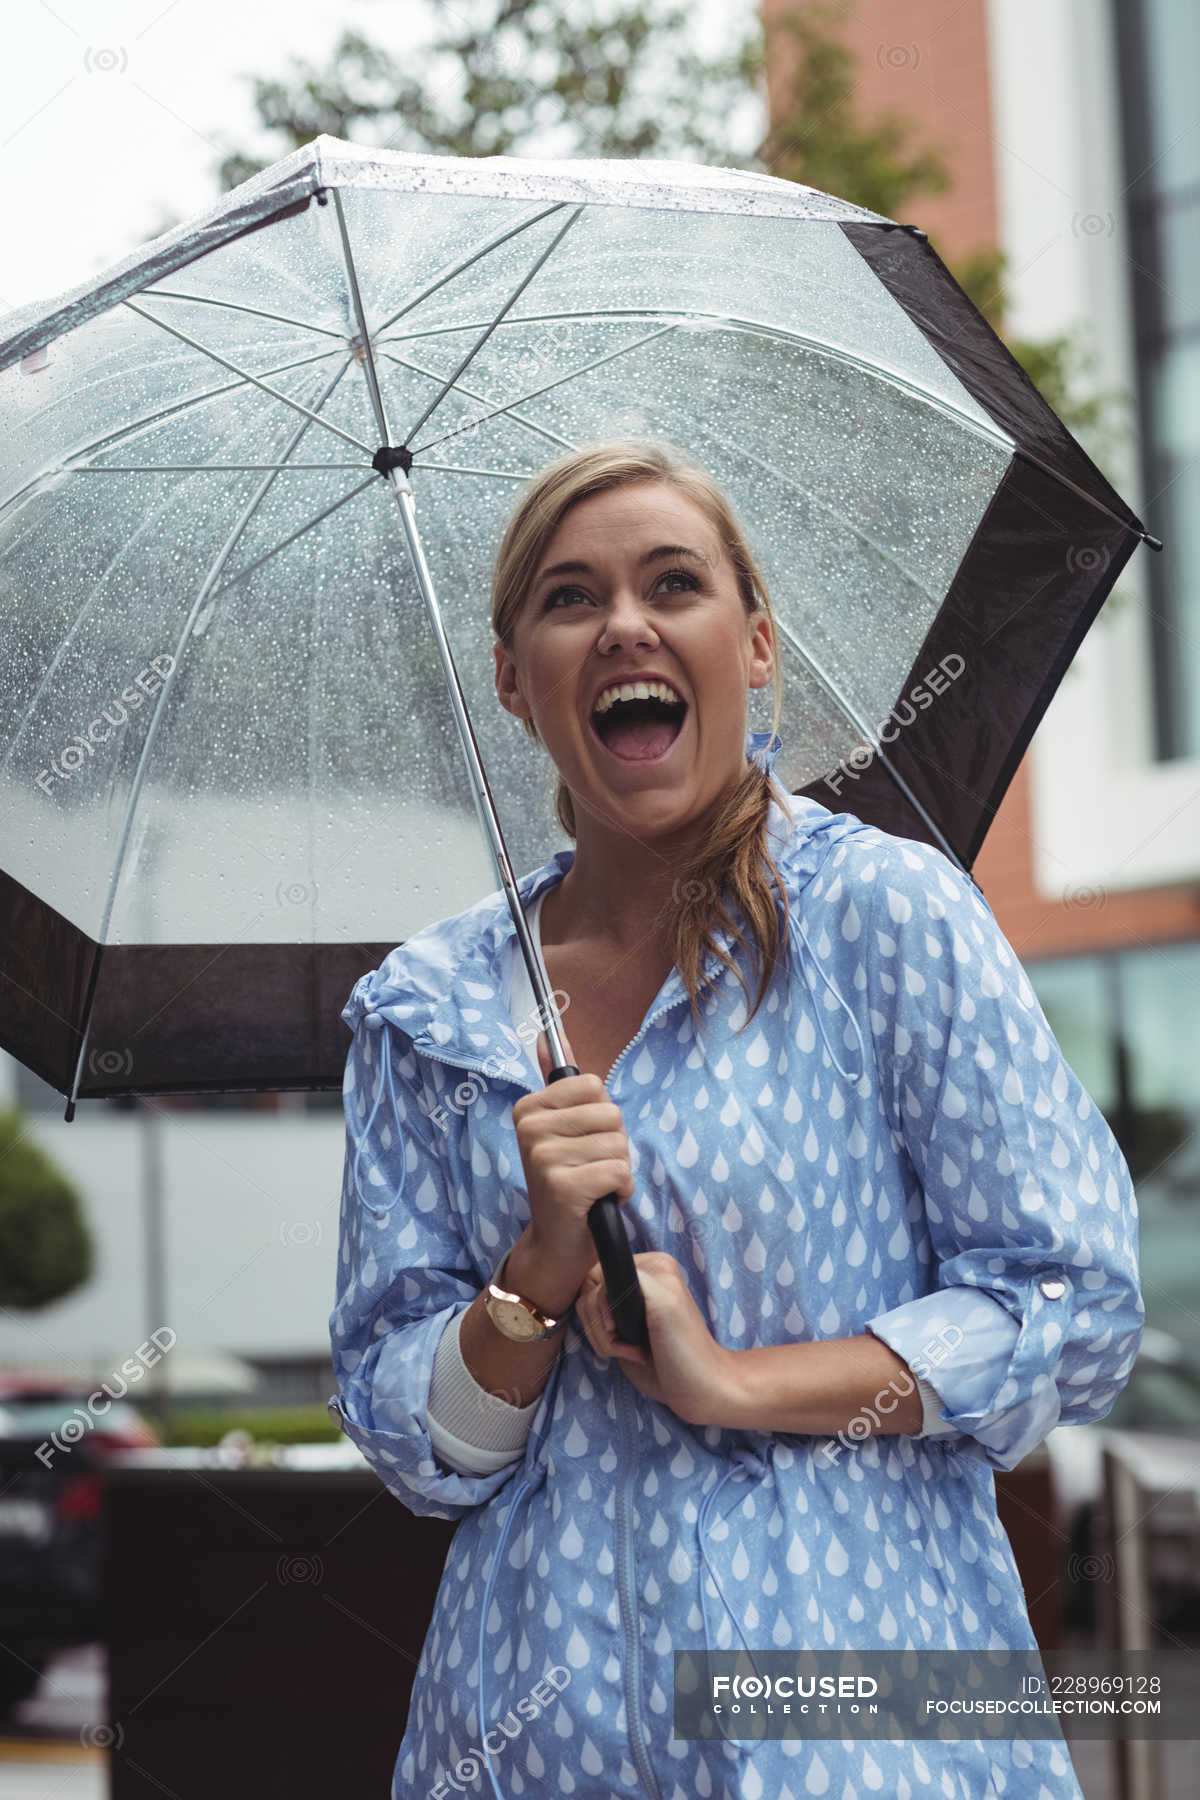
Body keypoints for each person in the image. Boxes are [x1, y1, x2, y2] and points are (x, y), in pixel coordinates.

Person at [328, 438, 1144, 1800]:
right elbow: (419, 1449)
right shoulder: (428, 1012)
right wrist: (528, 1279)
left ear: (754, 642)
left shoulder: (886, 917)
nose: (626, 625)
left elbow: (1070, 1301)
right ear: (512, 678)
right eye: (570, 598)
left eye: (673, 584)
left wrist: (741, 1384)